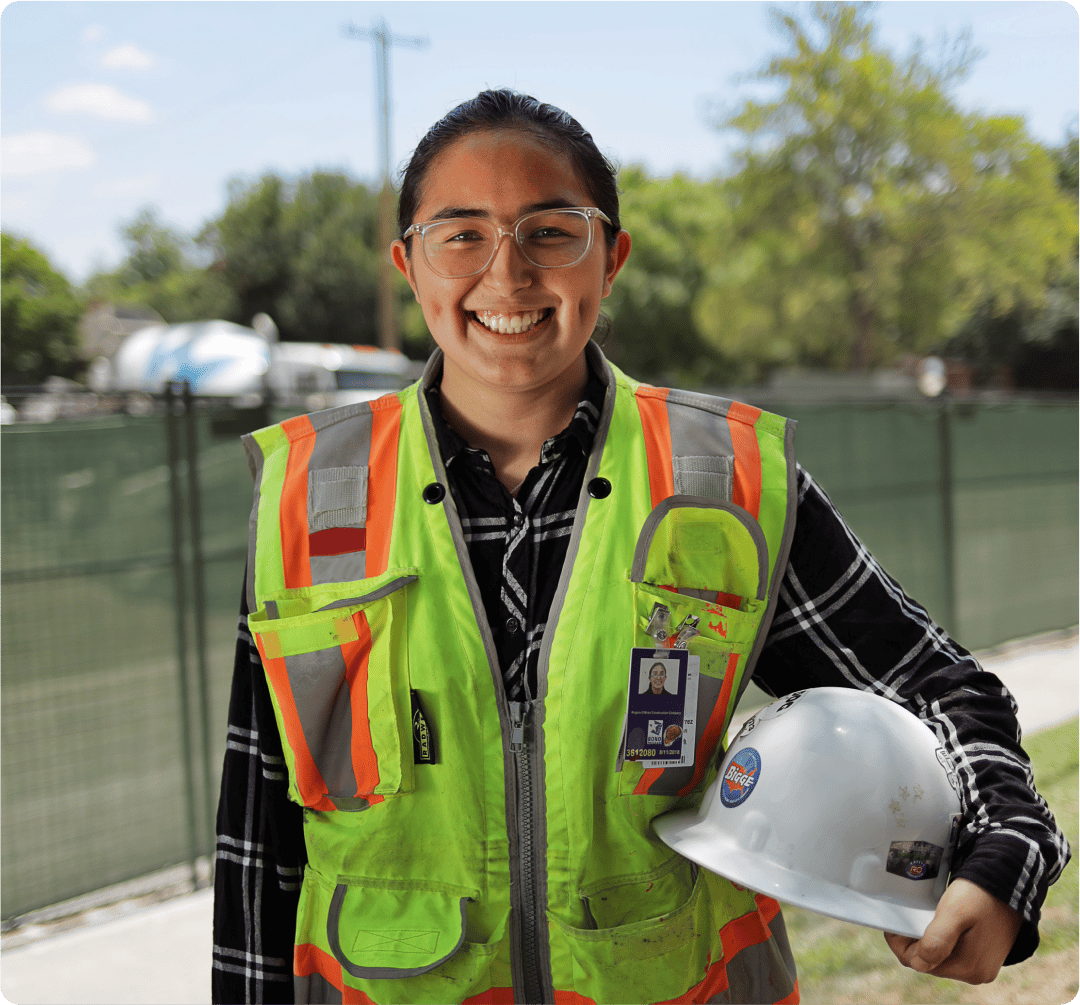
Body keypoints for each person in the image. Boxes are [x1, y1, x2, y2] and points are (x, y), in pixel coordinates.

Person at [213, 89, 1070, 1005]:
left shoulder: (724, 481)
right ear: (408, 266)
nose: (506, 276)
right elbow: (257, 841)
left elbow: (935, 686)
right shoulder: (311, 497)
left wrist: (1008, 848)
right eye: (461, 233)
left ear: (610, 257)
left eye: (551, 230)